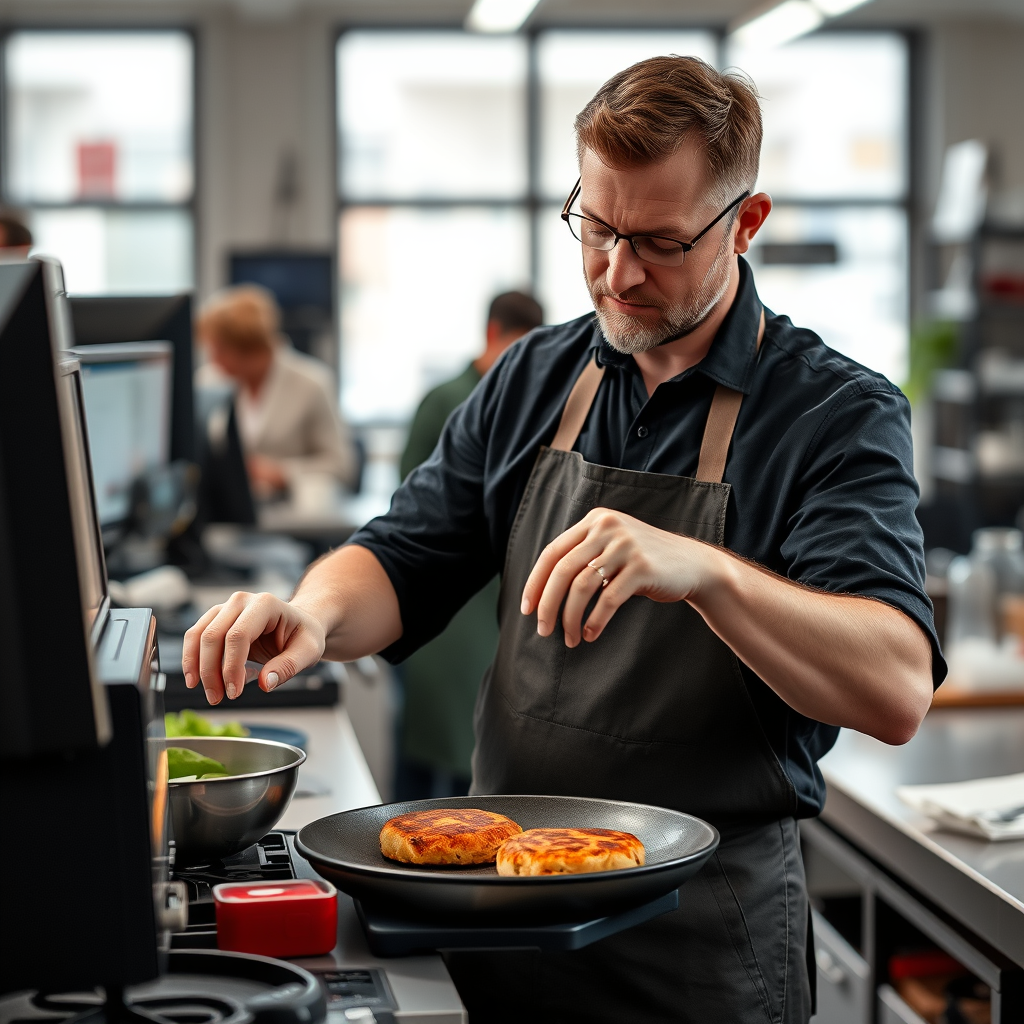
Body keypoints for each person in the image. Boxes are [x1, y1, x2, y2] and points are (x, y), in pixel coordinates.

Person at [184, 56, 943, 1023]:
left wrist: (709, 573)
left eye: (661, 242)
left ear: (745, 222)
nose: (617, 273)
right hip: (496, 925)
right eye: (597, 228)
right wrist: (312, 614)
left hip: (695, 952)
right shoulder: (533, 377)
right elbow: (405, 556)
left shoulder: (834, 413)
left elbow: (895, 687)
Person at [396, 291, 544, 800]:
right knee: (440, 730)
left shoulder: (531, 397)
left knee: (478, 730)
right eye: (514, 347)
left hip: (503, 587)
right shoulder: (447, 400)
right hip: (450, 588)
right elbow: (413, 500)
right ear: (491, 335)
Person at [195, 285, 357, 498]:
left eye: (220, 350)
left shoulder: (312, 383)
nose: (213, 359)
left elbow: (342, 466)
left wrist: (281, 473)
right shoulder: (208, 381)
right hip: (226, 505)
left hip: (290, 507)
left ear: (250, 349)